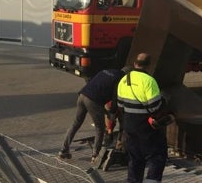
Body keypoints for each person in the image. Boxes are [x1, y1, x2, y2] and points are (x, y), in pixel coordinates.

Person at [117, 52, 169, 183]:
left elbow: (120, 105)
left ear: (135, 64)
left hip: (129, 125)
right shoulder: (149, 81)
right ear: (149, 65)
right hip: (146, 127)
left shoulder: (124, 80)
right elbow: (154, 107)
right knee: (157, 156)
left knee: (135, 158)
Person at [58, 67, 128, 163]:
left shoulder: (105, 71)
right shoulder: (120, 78)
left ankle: (64, 150)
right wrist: (112, 113)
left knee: (76, 123)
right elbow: (115, 97)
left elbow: (94, 85)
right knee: (100, 128)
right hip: (93, 101)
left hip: (82, 95)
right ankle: (95, 156)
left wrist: (105, 111)